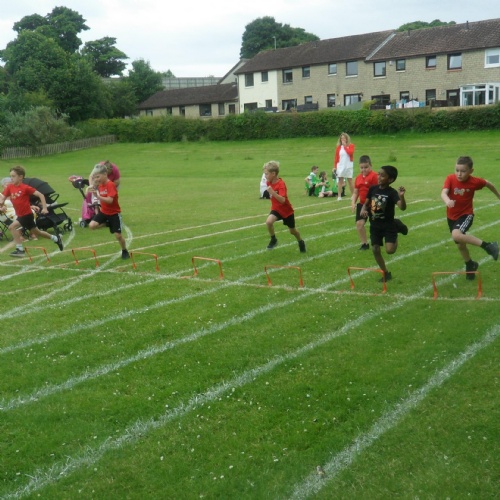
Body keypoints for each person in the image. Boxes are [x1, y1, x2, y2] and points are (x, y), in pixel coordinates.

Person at [441, 155, 499, 279]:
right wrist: (447, 201)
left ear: (471, 171)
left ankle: (489, 246)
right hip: (451, 217)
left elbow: (489, 184)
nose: (459, 174)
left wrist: (498, 196)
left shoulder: (474, 182)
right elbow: (444, 192)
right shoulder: (450, 178)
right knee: (460, 245)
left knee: (456, 235)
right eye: (457, 170)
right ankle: (470, 264)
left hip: (466, 214)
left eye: (463, 171)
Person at [0, 166, 63, 257]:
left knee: (11, 227)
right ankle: (56, 239)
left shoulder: (25, 188)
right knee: (38, 232)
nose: (11, 178)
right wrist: (1, 204)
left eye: (13, 176)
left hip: (26, 215)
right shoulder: (10, 187)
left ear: (20, 177)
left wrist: (45, 208)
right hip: (20, 215)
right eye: (10, 176)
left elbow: (41, 195)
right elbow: (3, 198)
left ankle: (20, 249)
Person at [360, 165, 408, 282]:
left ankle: (396, 226)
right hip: (375, 225)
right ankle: (385, 273)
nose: (379, 177)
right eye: (379, 174)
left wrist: (402, 197)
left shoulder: (391, 193)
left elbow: (402, 207)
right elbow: (366, 203)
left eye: (382, 175)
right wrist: (363, 209)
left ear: (390, 179)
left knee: (390, 250)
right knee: (375, 249)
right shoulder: (373, 189)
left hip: (388, 225)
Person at [88, 164, 130, 259]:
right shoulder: (100, 185)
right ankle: (108, 224)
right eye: (95, 177)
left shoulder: (110, 185)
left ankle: (124, 250)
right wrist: (91, 188)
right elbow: (92, 184)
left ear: (105, 174)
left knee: (118, 236)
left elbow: (110, 200)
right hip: (104, 212)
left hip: (114, 213)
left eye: (98, 177)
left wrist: (98, 196)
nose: (97, 179)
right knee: (91, 225)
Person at [264, 161, 306, 253]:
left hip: (286, 211)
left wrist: (272, 193)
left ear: (273, 174)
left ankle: (300, 241)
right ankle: (273, 239)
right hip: (276, 209)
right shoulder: (268, 183)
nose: (265, 176)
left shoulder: (281, 184)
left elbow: (282, 200)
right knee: (269, 222)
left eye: (266, 174)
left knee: (292, 231)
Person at [352, 155, 379, 250]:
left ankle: (378, 240)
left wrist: (373, 206)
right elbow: (356, 192)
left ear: (370, 165)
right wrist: (353, 202)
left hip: (374, 203)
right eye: (361, 167)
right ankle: (364, 244)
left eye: (366, 167)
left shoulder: (374, 176)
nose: (364, 170)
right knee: (359, 224)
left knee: (376, 225)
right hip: (362, 203)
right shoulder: (358, 178)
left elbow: (378, 191)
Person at [333, 132, 355, 201]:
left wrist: (345, 146)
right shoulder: (338, 148)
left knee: (350, 180)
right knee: (340, 180)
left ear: (346, 139)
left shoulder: (351, 145)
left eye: (344, 138)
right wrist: (335, 166)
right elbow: (336, 158)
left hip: (348, 165)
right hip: (340, 165)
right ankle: (339, 196)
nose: (342, 139)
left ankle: (353, 195)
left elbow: (350, 153)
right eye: (341, 138)